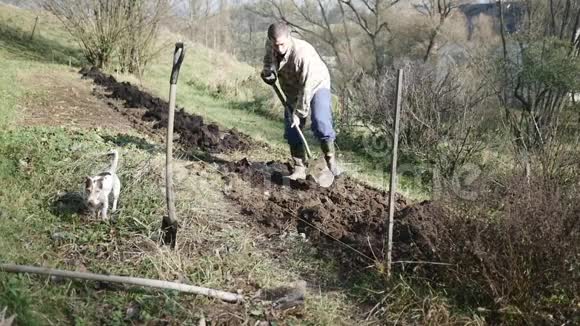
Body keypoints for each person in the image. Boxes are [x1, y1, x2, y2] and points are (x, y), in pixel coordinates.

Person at [260, 21, 340, 180]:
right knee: (291, 129)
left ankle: (330, 160)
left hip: (316, 84)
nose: (280, 49)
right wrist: (268, 72)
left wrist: (299, 114)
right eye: (276, 45)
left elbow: (306, 88)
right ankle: (299, 167)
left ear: (289, 38)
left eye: (282, 44)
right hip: (291, 88)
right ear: (271, 41)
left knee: (320, 122)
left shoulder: (302, 54)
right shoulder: (271, 46)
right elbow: (269, 63)